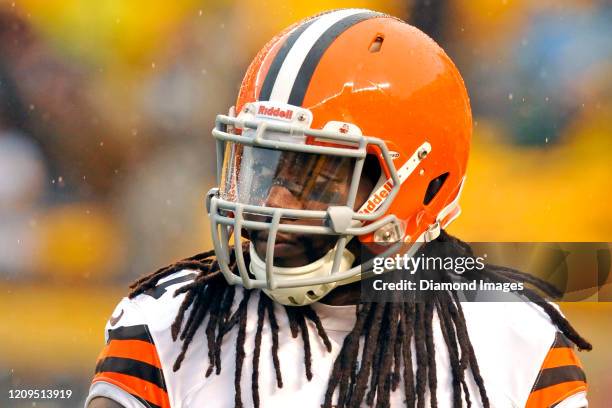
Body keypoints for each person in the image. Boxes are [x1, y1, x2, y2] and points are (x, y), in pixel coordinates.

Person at [85, 9, 590, 408]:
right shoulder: (171, 324)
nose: (274, 201)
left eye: (319, 176)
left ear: (424, 185)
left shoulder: (513, 340)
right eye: (267, 166)